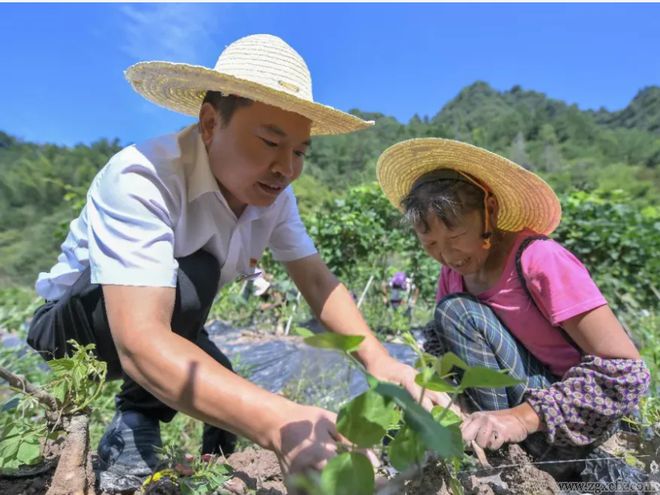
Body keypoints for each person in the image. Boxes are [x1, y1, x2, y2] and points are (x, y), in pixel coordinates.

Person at [27, 35, 449, 490]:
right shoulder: (143, 177)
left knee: (225, 389)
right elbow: (142, 340)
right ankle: (132, 428)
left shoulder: (274, 198)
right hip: (74, 326)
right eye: (270, 141)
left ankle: (214, 469)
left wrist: (382, 364)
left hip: (171, 317)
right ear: (210, 123)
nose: (285, 167)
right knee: (195, 277)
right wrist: (279, 422)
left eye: (300, 152)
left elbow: (316, 281)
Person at [376, 138, 650, 475]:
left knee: (457, 312)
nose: (447, 256)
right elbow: (444, 355)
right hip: (503, 419)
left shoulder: (539, 260)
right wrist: (446, 403)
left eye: (456, 236)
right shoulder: (452, 276)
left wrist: (521, 418)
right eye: (430, 243)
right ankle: (490, 450)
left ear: (489, 209)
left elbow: (626, 372)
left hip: (571, 426)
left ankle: (512, 460)